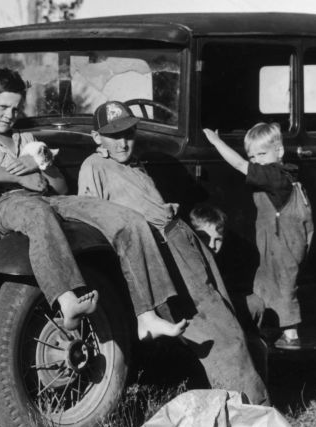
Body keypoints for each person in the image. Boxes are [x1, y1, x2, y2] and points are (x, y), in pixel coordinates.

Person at [0, 68, 187, 339]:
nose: (10, 115)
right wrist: (23, 180)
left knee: (125, 217)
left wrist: (45, 166)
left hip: (51, 200)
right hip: (6, 204)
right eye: (3, 107)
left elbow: (60, 186)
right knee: (38, 214)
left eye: (16, 109)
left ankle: (147, 315)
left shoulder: (25, 139)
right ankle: (67, 300)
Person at [79, 102, 269, 404]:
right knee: (221, 334)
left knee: (228, 316)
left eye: (128, 133)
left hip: (182, 238)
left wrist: (164, 209)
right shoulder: (94, 166)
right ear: (96, 137)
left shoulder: (133, 162)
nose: (123, 142)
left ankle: (246, 405)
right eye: (113, 136)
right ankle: (252, 414)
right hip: (164, 251)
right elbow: (95, 216)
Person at [203, 122, 313, 348]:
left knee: (283, 283)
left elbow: (239, 164)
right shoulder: (288, 174)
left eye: (262, 154)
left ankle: (291, 334)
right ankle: (273, 327)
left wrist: (217, 143)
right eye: (253, 157)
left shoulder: (273, 175)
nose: (257, 161)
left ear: (279, 152)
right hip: (282, 238)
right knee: (270, 280)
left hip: (281, 239)